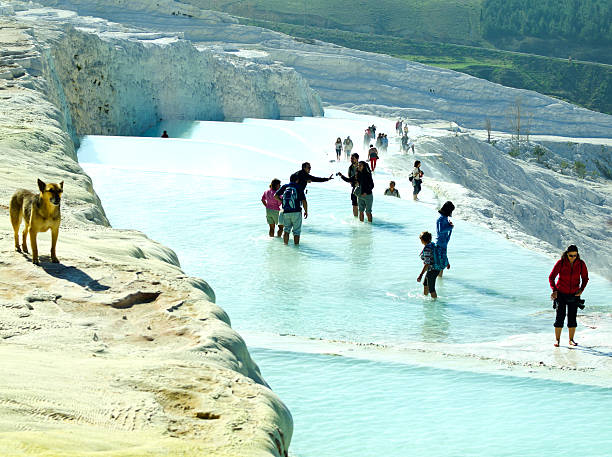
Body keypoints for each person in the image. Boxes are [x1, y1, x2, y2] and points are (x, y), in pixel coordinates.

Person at [549, 245, 589, 347]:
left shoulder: (581, 264)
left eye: (575, 255)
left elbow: (585, 278)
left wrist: (581, 290)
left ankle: (571, 340)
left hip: (574, 294)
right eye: (571, 255)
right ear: (567, 254)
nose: (573, 257)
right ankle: (557, 340)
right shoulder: (561, 263)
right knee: (559, 317)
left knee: (572, 318)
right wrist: (554, 290)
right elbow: (552, 277)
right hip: (561, 294)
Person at [274, 173, 308, 245]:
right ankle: (296, 248)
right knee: (296, 232)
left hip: (286, 212)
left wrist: (282, 201)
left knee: (286, 230)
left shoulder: (285, 186)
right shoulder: (299, 187)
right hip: (296, 212)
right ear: (297, 180)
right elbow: (304, 201)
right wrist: (306, 211)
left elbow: (275, 196)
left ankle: (285, 246)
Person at [418, 231, 440, 299]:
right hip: (435, 268)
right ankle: (426, 300)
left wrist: (420, 275)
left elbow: (427, 263)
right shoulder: (432, 245)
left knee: (431, 289)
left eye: (420, 239)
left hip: (432, 270)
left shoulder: (427, 248)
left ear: (423, 240)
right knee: (425, 284)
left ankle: (435, 304)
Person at [337, 152, 360, 217]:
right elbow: (349, 179)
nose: (351, 160)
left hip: (362, 187)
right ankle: (356, 219)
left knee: (362, 204)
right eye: (351, 158)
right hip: (354, 187)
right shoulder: (350, 168)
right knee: (354, 204)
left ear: (357, 159)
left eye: (353, 158)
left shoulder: (361, 166)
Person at [436, 201, 455, 277]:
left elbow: (444, 229)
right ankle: (439, 277)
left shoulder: (444, 218)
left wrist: (449, 225)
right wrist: (450, 227)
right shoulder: (441, 219)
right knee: (441, 262)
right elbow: (441, 230)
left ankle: (440, 278)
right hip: (441, 243)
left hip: (443, 242)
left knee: (442, 261)